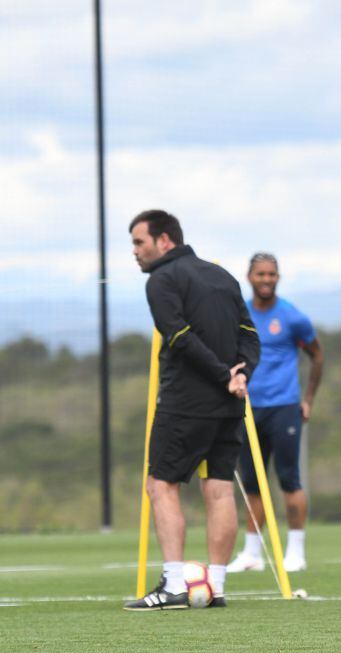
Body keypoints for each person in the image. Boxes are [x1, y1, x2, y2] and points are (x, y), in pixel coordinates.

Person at [125, 209, 260, 610]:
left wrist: (224, 376)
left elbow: (179, 337)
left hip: (186, 404)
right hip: (229, 404)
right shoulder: (222, 276)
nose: (135, 251)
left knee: (161, 485)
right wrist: (240, 376)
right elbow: (249, 336)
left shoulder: (162, 279)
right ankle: (214, 588)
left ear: (164, 240)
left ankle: (173, 586)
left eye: (138, 242)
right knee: (218, 489)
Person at [226, 252, 324, 574]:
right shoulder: (239, 313)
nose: (266, 280)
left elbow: (317, 356)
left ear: (278, 277)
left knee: (288, 478)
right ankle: (252, 552)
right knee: (252, 483)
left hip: (284, 408)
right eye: (260, 274)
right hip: (249, 409)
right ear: (249, 277)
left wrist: (307, 398)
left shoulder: (292, 316)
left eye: (272, 274)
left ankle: (296, 550)